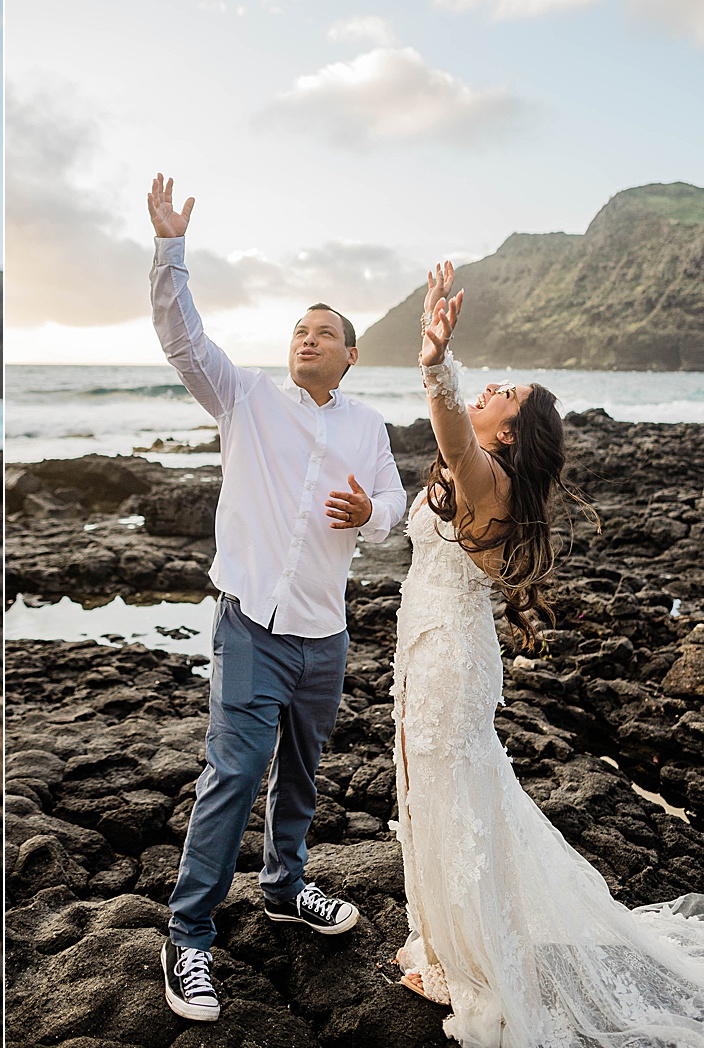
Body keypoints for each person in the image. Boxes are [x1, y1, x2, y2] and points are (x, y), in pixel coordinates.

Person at [392, 262, 704, 1046]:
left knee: (450, 801)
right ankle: (444, 946)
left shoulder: (485, 478)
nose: (491, 388)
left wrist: (437, 363)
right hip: (431, 650)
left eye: (505, 395)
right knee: (441, 797)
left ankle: (470, 964)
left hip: (444, 662)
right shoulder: (485, 477)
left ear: (506, 434)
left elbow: (451, 428)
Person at [147, 173, 407, 1022]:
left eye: (323, 331)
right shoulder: (247, 397)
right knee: (235, 771)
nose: (306, 337)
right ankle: (187, 937)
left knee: (302, 773)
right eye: (299, 328)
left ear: (350, 354)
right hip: (251, 621)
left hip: (324, 633)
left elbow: (397, 512)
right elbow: (183, 341)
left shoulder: (368, 427)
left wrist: (371, 513)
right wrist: (170, 250)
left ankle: (285, 887)